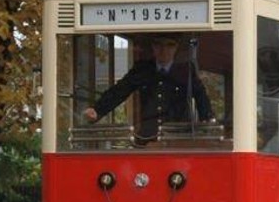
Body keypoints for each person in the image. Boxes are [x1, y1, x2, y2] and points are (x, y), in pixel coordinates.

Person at [83, 34, 213, 141]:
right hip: (148, 137)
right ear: (153, 47)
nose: (164, 50)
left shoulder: (186, 71)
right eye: (159, 45)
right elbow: (120, 90)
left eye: (170, 45)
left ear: (176, 48)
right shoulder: (143, 69)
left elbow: (201, 96)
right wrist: (98, 110)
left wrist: (207, 119)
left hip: (178, 137)